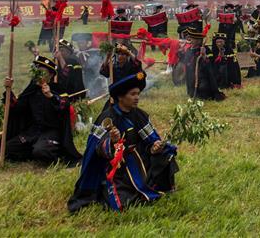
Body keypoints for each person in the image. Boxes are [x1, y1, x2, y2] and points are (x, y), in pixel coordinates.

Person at [68, 71, 179, 212]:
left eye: (138, 94)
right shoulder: (107, 118)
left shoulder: (139, 114)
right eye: (132, 94)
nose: (137, 98)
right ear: (120, 97)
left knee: (165, 153)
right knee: (125, 201)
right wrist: (112, 143)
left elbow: (150, 140)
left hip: (139, 159)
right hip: (116, 166)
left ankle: (158, 185)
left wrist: (154, 146)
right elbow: (97, 149)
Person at [0, 55, 81, 165]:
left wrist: (51, 96)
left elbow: (64, 107)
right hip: (33, 132)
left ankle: (51, 149)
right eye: (37, 72)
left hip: (51, 132)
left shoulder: (58, 89)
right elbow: (18, 109)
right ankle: (30, 149)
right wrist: (9, 92)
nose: (39, 76)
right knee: (8, 148)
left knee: (41, 151)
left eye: (42, 72)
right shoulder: (31, 91)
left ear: (51, 75)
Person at [182, 28, 225, 101]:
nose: (190, 40)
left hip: (203, 76)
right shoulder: (189, 49)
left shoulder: (205, 49)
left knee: (203, 90)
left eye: (192, 39)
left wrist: (204, 56)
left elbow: (211, 63)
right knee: (191, 92)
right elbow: (185, 60)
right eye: (190, 38)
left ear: (198, 41)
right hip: (191, 75)